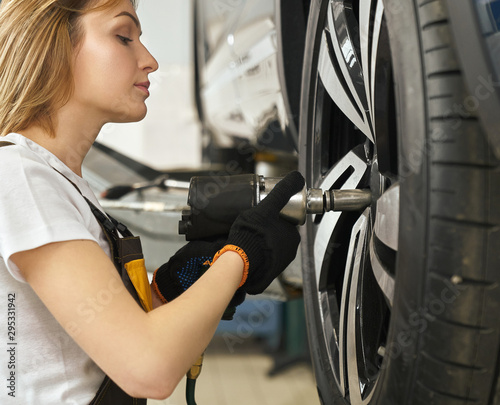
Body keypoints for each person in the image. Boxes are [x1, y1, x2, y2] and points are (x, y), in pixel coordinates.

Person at [0, 0, 305, 403]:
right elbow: (148, 369)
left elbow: (93, 339)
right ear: (55, 43)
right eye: (124, 37)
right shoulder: (20, 175)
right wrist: (238, 256)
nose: (150, 61)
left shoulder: (56, 180)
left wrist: (171, 286)